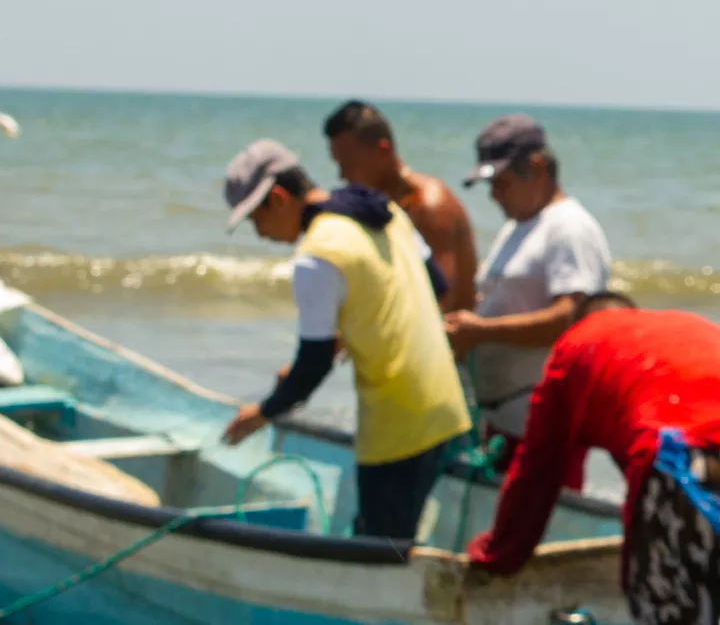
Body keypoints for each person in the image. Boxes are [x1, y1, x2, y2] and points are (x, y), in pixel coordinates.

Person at [466, 292, 720, 625]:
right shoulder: (698, 327)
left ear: (579, 323)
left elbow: (537, 471)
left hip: (677, 460)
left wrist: (496, 556)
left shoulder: (573, 347)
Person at [218, 139, 472, 539]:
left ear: (280, 198)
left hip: (397, 422)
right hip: (445, 405)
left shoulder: (315, 256)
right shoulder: (383, 211)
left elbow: (312, 364)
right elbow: (435, 285)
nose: (261, 234)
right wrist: (345, 340)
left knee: (376, 549)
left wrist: (264, 412)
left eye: (256, 219)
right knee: (393, 540)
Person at [442, 114, 612, 475]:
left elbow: (572, 319)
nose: (493, 196)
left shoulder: (569, 229)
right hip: (502, 423)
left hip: (541, 428)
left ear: (536, 168)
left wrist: (481, 331)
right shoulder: (519, 225)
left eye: (501, 184)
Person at [323, 99, 481, 313]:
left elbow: (441, 304)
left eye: (349, 165)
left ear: (383, 150)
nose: (343, 176)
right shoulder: (384, 208)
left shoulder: (428, 206)